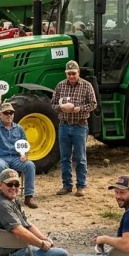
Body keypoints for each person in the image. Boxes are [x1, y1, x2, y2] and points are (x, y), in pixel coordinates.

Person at [51, 60, 96, 197]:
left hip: (80, 126)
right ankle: (67, 185)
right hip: (64, 125)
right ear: (66, 73)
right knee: (65, 157)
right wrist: (61, 108)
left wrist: (78, 109)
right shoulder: (60, 86)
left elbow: (93, 104)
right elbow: (52, 103)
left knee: (80, 158)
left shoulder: (87, 86)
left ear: (78, 72)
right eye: (69, 74)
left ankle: (81, 186)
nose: (71, 76)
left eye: (73, 74)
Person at [0, 97, 38, 208]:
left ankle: (29, 197)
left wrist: (24, 154)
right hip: (0, 157)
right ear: (0, 115)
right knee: (1, 166)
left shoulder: (19, 128)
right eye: (6, 113)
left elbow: (24, 144)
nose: (9, 115)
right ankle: (5, 197)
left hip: (15, 158)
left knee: (30, 165)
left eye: (11, 113)